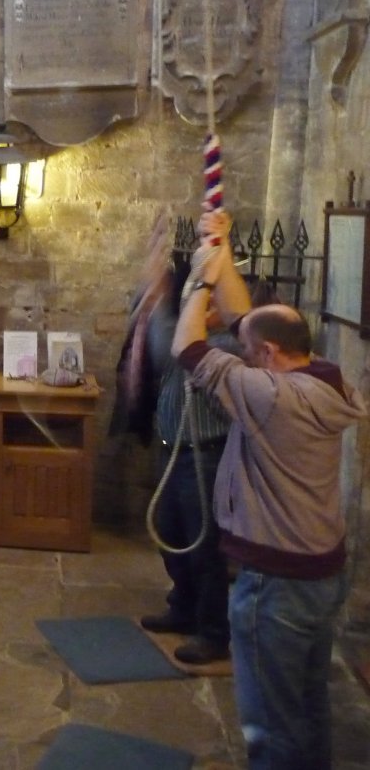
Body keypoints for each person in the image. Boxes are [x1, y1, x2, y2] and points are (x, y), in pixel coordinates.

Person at [172, 208, 366, 770]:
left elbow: (188, 349)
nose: (243, 354)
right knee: (305, 706)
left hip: (275, 583)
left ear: (270, 356)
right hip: (319, 572)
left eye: (251, 353)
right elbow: (245, 321)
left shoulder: (272, 397)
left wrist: (201, 280)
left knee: (269, 723)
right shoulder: (325, 377)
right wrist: (222, 249)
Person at [139, 255, 236, 665]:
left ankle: (213, 633)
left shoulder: (225, 346)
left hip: (204, 457)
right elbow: (163, 351)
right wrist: (160, 297)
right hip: (173, 451)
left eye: (207, 303)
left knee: (205, 548)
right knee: (171, 533)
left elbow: (172, 352)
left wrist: (162, 301)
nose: (199, 310)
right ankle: (182, 606)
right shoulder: (190, 338)